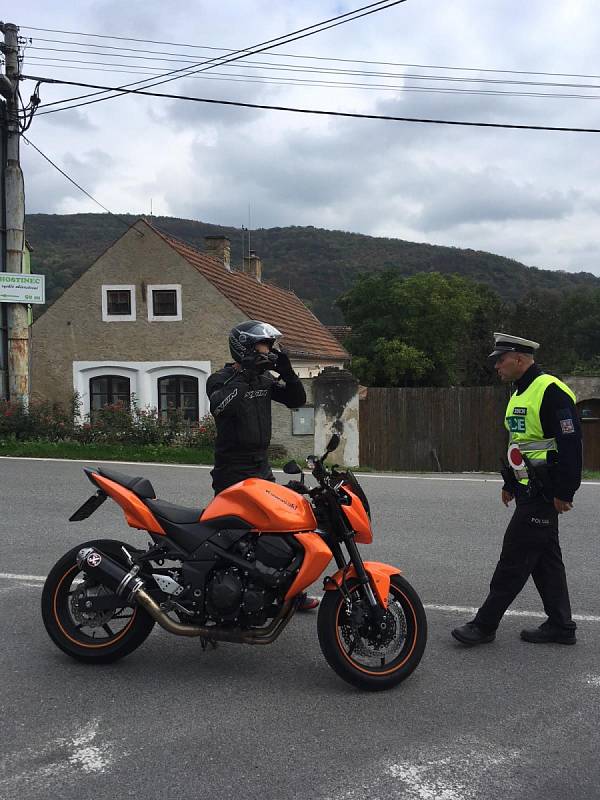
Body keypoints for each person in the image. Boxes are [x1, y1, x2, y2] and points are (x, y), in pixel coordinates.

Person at [452, 332, 582, 646]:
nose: (496, 365)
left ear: (519, 359)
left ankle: (484, 625)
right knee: (545, 560)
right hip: (527, 487)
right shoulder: (518, 392)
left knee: (514, 557)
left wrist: (566, 490)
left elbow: (571, 441)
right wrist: (510, 483)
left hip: (544, 491)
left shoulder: (551, 390)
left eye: (501, 359)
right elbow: (519, 445)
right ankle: (561, 626)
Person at [206, 319, 319, 611]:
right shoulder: (221, 378)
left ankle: (291, 593)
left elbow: (297, 398)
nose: (268, 350)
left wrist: (287, 371)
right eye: (263, 344)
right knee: (231, 537)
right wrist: (245, 373)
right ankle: (217, 595)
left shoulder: (264, 379)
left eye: (269, 345)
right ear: (244, 347)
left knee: (278, 531)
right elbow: (219, 406)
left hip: (261, 467)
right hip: (232, 470)